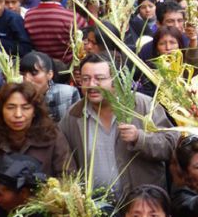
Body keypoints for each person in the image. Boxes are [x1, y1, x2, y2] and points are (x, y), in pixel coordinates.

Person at [59, 53, 178, 195]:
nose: (91, 84)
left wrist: (139, 138)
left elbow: (171, 145)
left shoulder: (143, 106)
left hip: (142, 204)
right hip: (96, 209)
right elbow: (63, 160)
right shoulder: (74, 115)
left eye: (99, 78)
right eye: (85, 79)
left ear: (115, 79)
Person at [0, 81, 73, 179]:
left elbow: (68, 178)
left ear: (34, 111)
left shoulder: (52, 136)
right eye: (10, 107)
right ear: (1, 110)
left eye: (25, 108)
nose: (18, 115)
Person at [24, 0, 86, 64]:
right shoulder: (71, 17)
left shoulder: (29, 15)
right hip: (68, 66)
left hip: (42, 65)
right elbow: (87, 38)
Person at [20, 52, 79, 122]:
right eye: (22, 74)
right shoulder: (17, 97)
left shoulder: (68, 94)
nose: (27, 79)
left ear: (49, 74)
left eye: (34, 73)